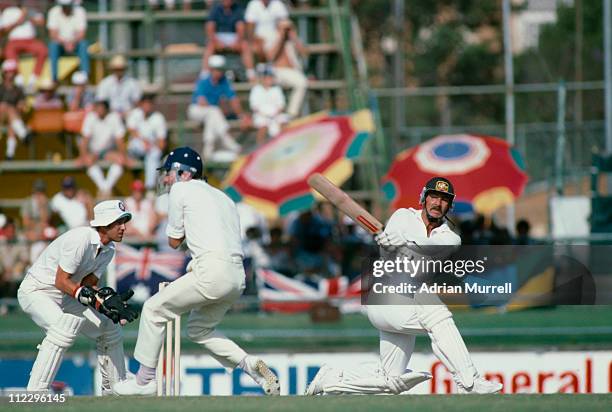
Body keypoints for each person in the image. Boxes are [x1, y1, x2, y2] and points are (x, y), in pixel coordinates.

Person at [306, 177, 503, 395]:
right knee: (438, 316)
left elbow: (428, 247)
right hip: (385, 299)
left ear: (450, 205)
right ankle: (469, 382)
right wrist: (389, 245)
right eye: (433, 197)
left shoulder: (450, 237)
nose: (438, 203)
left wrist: (405, 243)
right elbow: (389, 250)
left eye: (444, 200)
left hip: (407, 303)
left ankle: (331, 380)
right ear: (424, 198)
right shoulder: (402, 216)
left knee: (392, 381)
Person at [112, 147, 280, 396]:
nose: (166, 179)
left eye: (169, 172)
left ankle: (144, 381)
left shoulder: (181, 189)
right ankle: (251, 367)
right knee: (199, 330)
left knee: (153, 310)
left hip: (212, 271)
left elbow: (172, 241)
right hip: (237, 277)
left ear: (185, 173)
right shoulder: (224, 198)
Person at [17, 200, 139, 393]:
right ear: (105, 224)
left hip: (66, 295)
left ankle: (115, 390)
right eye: (118, 222)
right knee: (63, 328)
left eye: (124, 221)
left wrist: (105, 302)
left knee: (110, 326)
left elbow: (87, 285)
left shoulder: (109, 250)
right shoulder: (80, 239)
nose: (123, 227)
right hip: (38, 291)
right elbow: (61, 280)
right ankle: (36, 393)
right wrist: (91, 297)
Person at [188, 55, 245, 161]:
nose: (218, 72)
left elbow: (233, 99)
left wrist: (242, 115)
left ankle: (208, 149)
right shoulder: (203, 81)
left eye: (221, 70)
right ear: (211, 69)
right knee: (214, 111)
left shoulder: (224, 82)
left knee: (212, 116)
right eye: (216, 69)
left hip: (210, 113)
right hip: (196, 110)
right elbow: (201, 102)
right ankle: (228, 142)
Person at [77, 100, 128, 197]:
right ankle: (105, 189)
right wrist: (82, 156)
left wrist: (124, 156)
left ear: (106, 109)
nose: (99, 110)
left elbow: (120, 140)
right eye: (98, 107)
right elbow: (84, 140)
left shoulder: (114, 118)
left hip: (109, 152)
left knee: (121, 160)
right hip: (94, 152)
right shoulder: (90, 117)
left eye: (101, 108)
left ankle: (104, 189)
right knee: (87, 160)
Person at [0, 1, 47, 91]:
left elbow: (41, 22)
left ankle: (34, 78)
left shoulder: (30, 10)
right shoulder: (8, 11)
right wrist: (19, 21)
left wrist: (28, 15)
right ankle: (18, 77)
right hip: (14, 41)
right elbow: (3, 30)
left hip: (30, 41)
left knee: (42, 50)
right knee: (9, 51)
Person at [203, 0, 254, 80]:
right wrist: (217, 41)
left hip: (234, 37)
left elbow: (240, 27)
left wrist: (237, 41)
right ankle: (204, 75)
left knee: (245, 45)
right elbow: (210, 27)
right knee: (210, 45)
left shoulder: (238, 9)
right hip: (219, 37)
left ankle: (251, 74)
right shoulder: (215, 9)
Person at [267, 19, 308, 118]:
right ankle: (291, 114)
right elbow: (271, 57)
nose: (286, 31)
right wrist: (281, 37)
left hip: (294, 72)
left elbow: (305, 53)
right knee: (302, 82)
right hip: (277, 72)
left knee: (302, 82)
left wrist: (294, 37)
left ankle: (291, 114)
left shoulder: (293, 40)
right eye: (284, 28)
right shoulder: (272, 38)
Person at [126, 94, 167, 191]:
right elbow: (131, 130)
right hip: (135, 148)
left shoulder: (158, 117)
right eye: (145, 104)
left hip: (150, 150)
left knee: (154, 154)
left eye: (149, 104)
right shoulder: (135, 113)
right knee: (139, 144)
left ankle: (149, 187)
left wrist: (151, 145)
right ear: (141, 104)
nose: (147, 106)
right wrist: (145, 142)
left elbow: (161, 142)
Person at [47, 0, 89, 82]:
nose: (65, 8)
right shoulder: (53, 12)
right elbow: (52, 34)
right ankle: (54, 78)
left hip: (75, 43)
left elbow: (82, 34)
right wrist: (66, 43)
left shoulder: (80, 11)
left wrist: (72, 42)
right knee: (53, 46)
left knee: (83, 44)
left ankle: (85, 76)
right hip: (60, 44)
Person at [249, 64, 288, 144]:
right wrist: (265, 115)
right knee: (263, 125)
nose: (269, 79)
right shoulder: (256, 89)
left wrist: (274, 114)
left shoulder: (277, 89)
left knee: (283, 122)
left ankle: (283, 144)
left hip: (275, 114)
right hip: (261, 115)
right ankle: (260, 146)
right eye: (267, 76)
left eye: (270, 76)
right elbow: (254, 106)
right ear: (262, 78)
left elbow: (281, 105)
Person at [0, 59, 30, 160]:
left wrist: (20, 106)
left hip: (12, 118)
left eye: (12, 71)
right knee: (6, 107)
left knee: (11, 122)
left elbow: (22, 104)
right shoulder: (1, 88)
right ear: (4, 73)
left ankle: (10, 155)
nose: (11, 74)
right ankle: (23, 134)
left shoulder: (18, 89)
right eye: (9, 71)